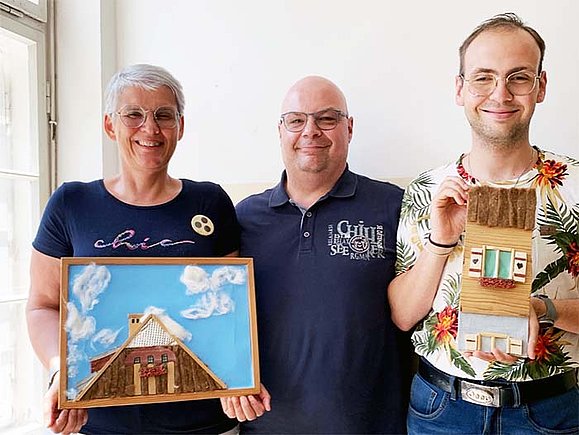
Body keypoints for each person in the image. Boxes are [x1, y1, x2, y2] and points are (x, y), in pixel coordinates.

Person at [26, 64, 269, 434]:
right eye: (134, 115)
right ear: (110, 125)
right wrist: (62, 370)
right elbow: (42, 306)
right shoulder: (71, 203)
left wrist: (237, 374)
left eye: (163, 116)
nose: (150, 129)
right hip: (99, 422)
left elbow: (229, 311)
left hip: (202, 423)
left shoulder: (210, 201)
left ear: (180, 127)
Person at [388, 13, 579, 434]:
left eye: (519, 77)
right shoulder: (426, 189)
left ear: (541, 87)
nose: (500, 93)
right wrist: (440, 242)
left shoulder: (575, 186)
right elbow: (403, 316)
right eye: (483, 77)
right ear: (460, 89)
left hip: (549, 411)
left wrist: (541, 309)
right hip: (441, 411)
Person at [229, 75, 409, 433]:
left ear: (349, 127)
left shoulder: (394, 206)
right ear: (280, 130)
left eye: (327, 118)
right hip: (267, 427)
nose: (310, 131)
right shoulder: (244, 218)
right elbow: (224, 320)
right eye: (296, 120)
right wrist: (230, 382)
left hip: (375, 426)